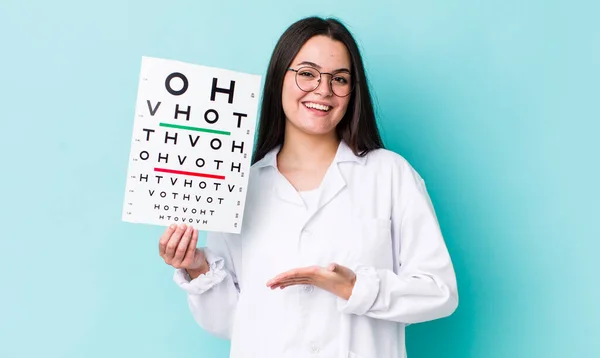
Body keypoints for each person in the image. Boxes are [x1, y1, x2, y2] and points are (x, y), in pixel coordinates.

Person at [158, 16, 458, 358]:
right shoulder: (239, 186)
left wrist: (355, 287)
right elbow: (230, 323)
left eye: (339, 79)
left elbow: (440, 292)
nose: (323, 90)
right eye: (307, 73)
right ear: (278, 78)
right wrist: (197, 267)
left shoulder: (390, 174)